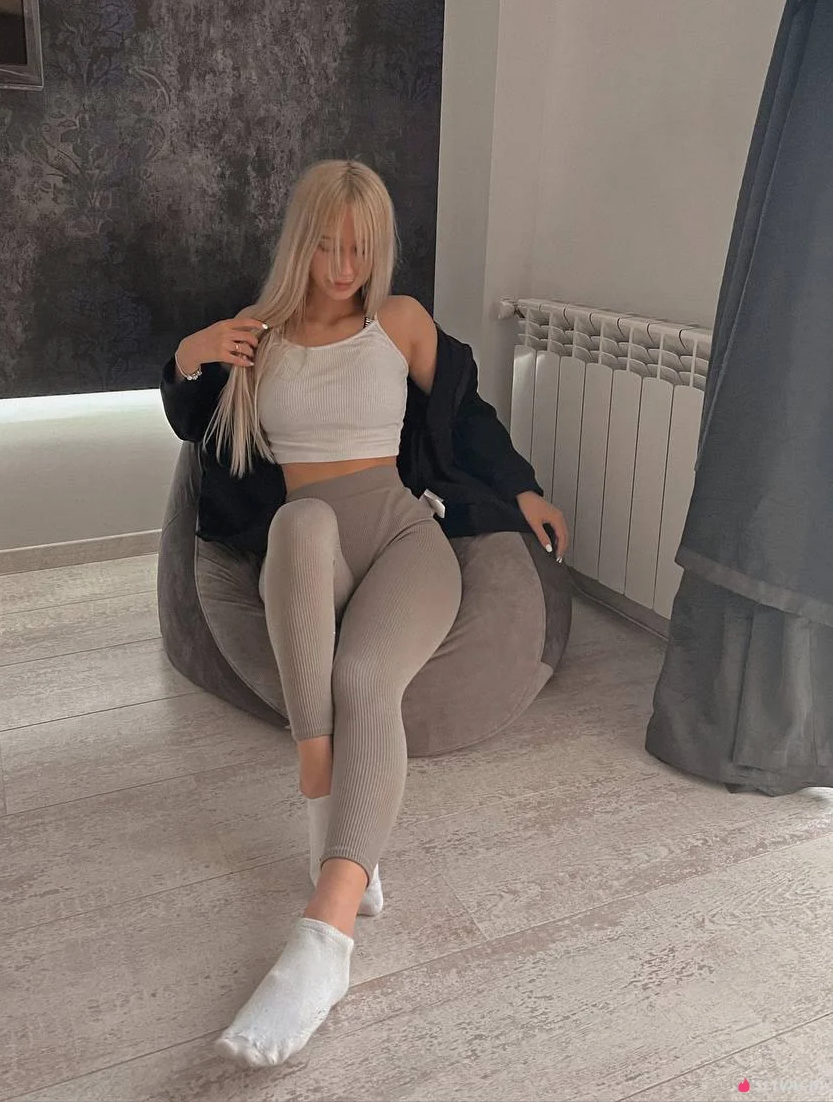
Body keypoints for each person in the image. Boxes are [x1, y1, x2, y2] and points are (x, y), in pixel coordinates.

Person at [160, 159, 569, 1068]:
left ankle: (327, 933)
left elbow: (466, 419)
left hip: (400, 540)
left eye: (361, 248)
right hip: (308, 546)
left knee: (361, 677)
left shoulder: (399, 322)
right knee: (298, 522)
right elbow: (192, 421)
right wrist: (191, 352)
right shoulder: (256, 333)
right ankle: (322, 782)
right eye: (326, 246)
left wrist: (522, 488)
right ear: (298, 244)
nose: (344, 267)